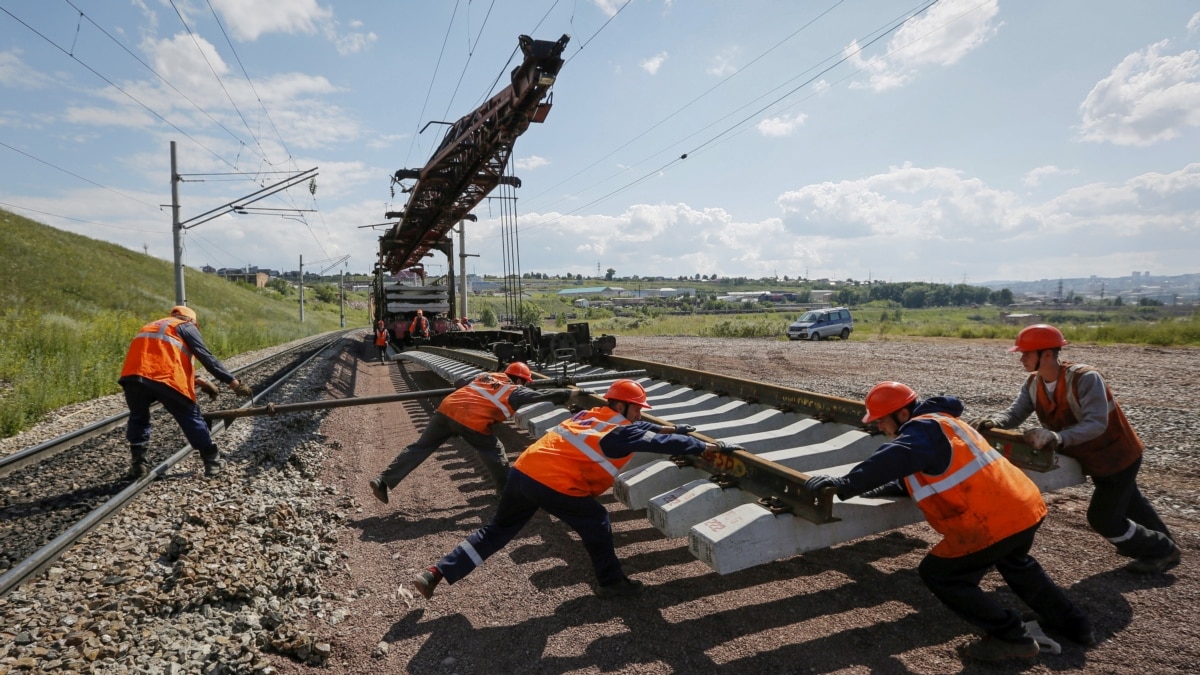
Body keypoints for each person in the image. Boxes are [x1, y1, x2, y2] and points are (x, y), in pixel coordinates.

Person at [804, 381, 1093, 663]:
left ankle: (1011, 636)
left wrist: (844, 483)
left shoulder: (920, 431)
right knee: (1016, 564)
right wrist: (876, 490)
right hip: (1024, 507)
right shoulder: (943, 423)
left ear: (903, 414)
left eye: (881, 420)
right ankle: (1074, 624)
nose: (878, 427)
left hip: (993, 521)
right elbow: (920, 472)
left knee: (942, 574)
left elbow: (892, 458)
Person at [411, 379, 732, 600]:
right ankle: (611, 583)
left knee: (497, 530)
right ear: (620, 405)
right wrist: (705, 446)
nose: (640, 412)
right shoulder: (620, 432)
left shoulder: (592, 415)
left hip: (522, 472)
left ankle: (436, 573)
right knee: (597, 521)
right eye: (636, 408)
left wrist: (670, 425)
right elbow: (659, 442)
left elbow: (642, 427)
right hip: (552, 483)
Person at [972, 323, 1180, 575]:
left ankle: (1160, 550)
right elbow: (1015, 413)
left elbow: (1096, 423)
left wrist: (1056, 437)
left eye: (1026, 353)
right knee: (1130, 500)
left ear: (1047, 354)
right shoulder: (1032, 384)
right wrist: (993, 421)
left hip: (1117, 455)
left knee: (1104, 518)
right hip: (1094, 457)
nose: (1022, 359)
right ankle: (1165, 545)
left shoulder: (1086, 378)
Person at [369, 362, 574, 502]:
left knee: (420, 447)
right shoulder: (514, 391)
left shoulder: (486, 375)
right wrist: (570, 393)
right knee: (495, 452)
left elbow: (459, 383)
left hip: (446, 410)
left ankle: (383, 480)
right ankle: (506, 495)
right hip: (471, 421)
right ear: (520, 380)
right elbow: (542, 396)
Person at [118, 306, 253, 479]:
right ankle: (212, 461)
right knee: (190, 416)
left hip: (133, 378)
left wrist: (199, 380)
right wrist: (234, 383)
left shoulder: (153, 326)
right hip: (166, 378)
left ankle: (138, 465)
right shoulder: (185, 326)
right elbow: (207, 358)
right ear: (191, 320)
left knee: (138, 418)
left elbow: (157, 359)